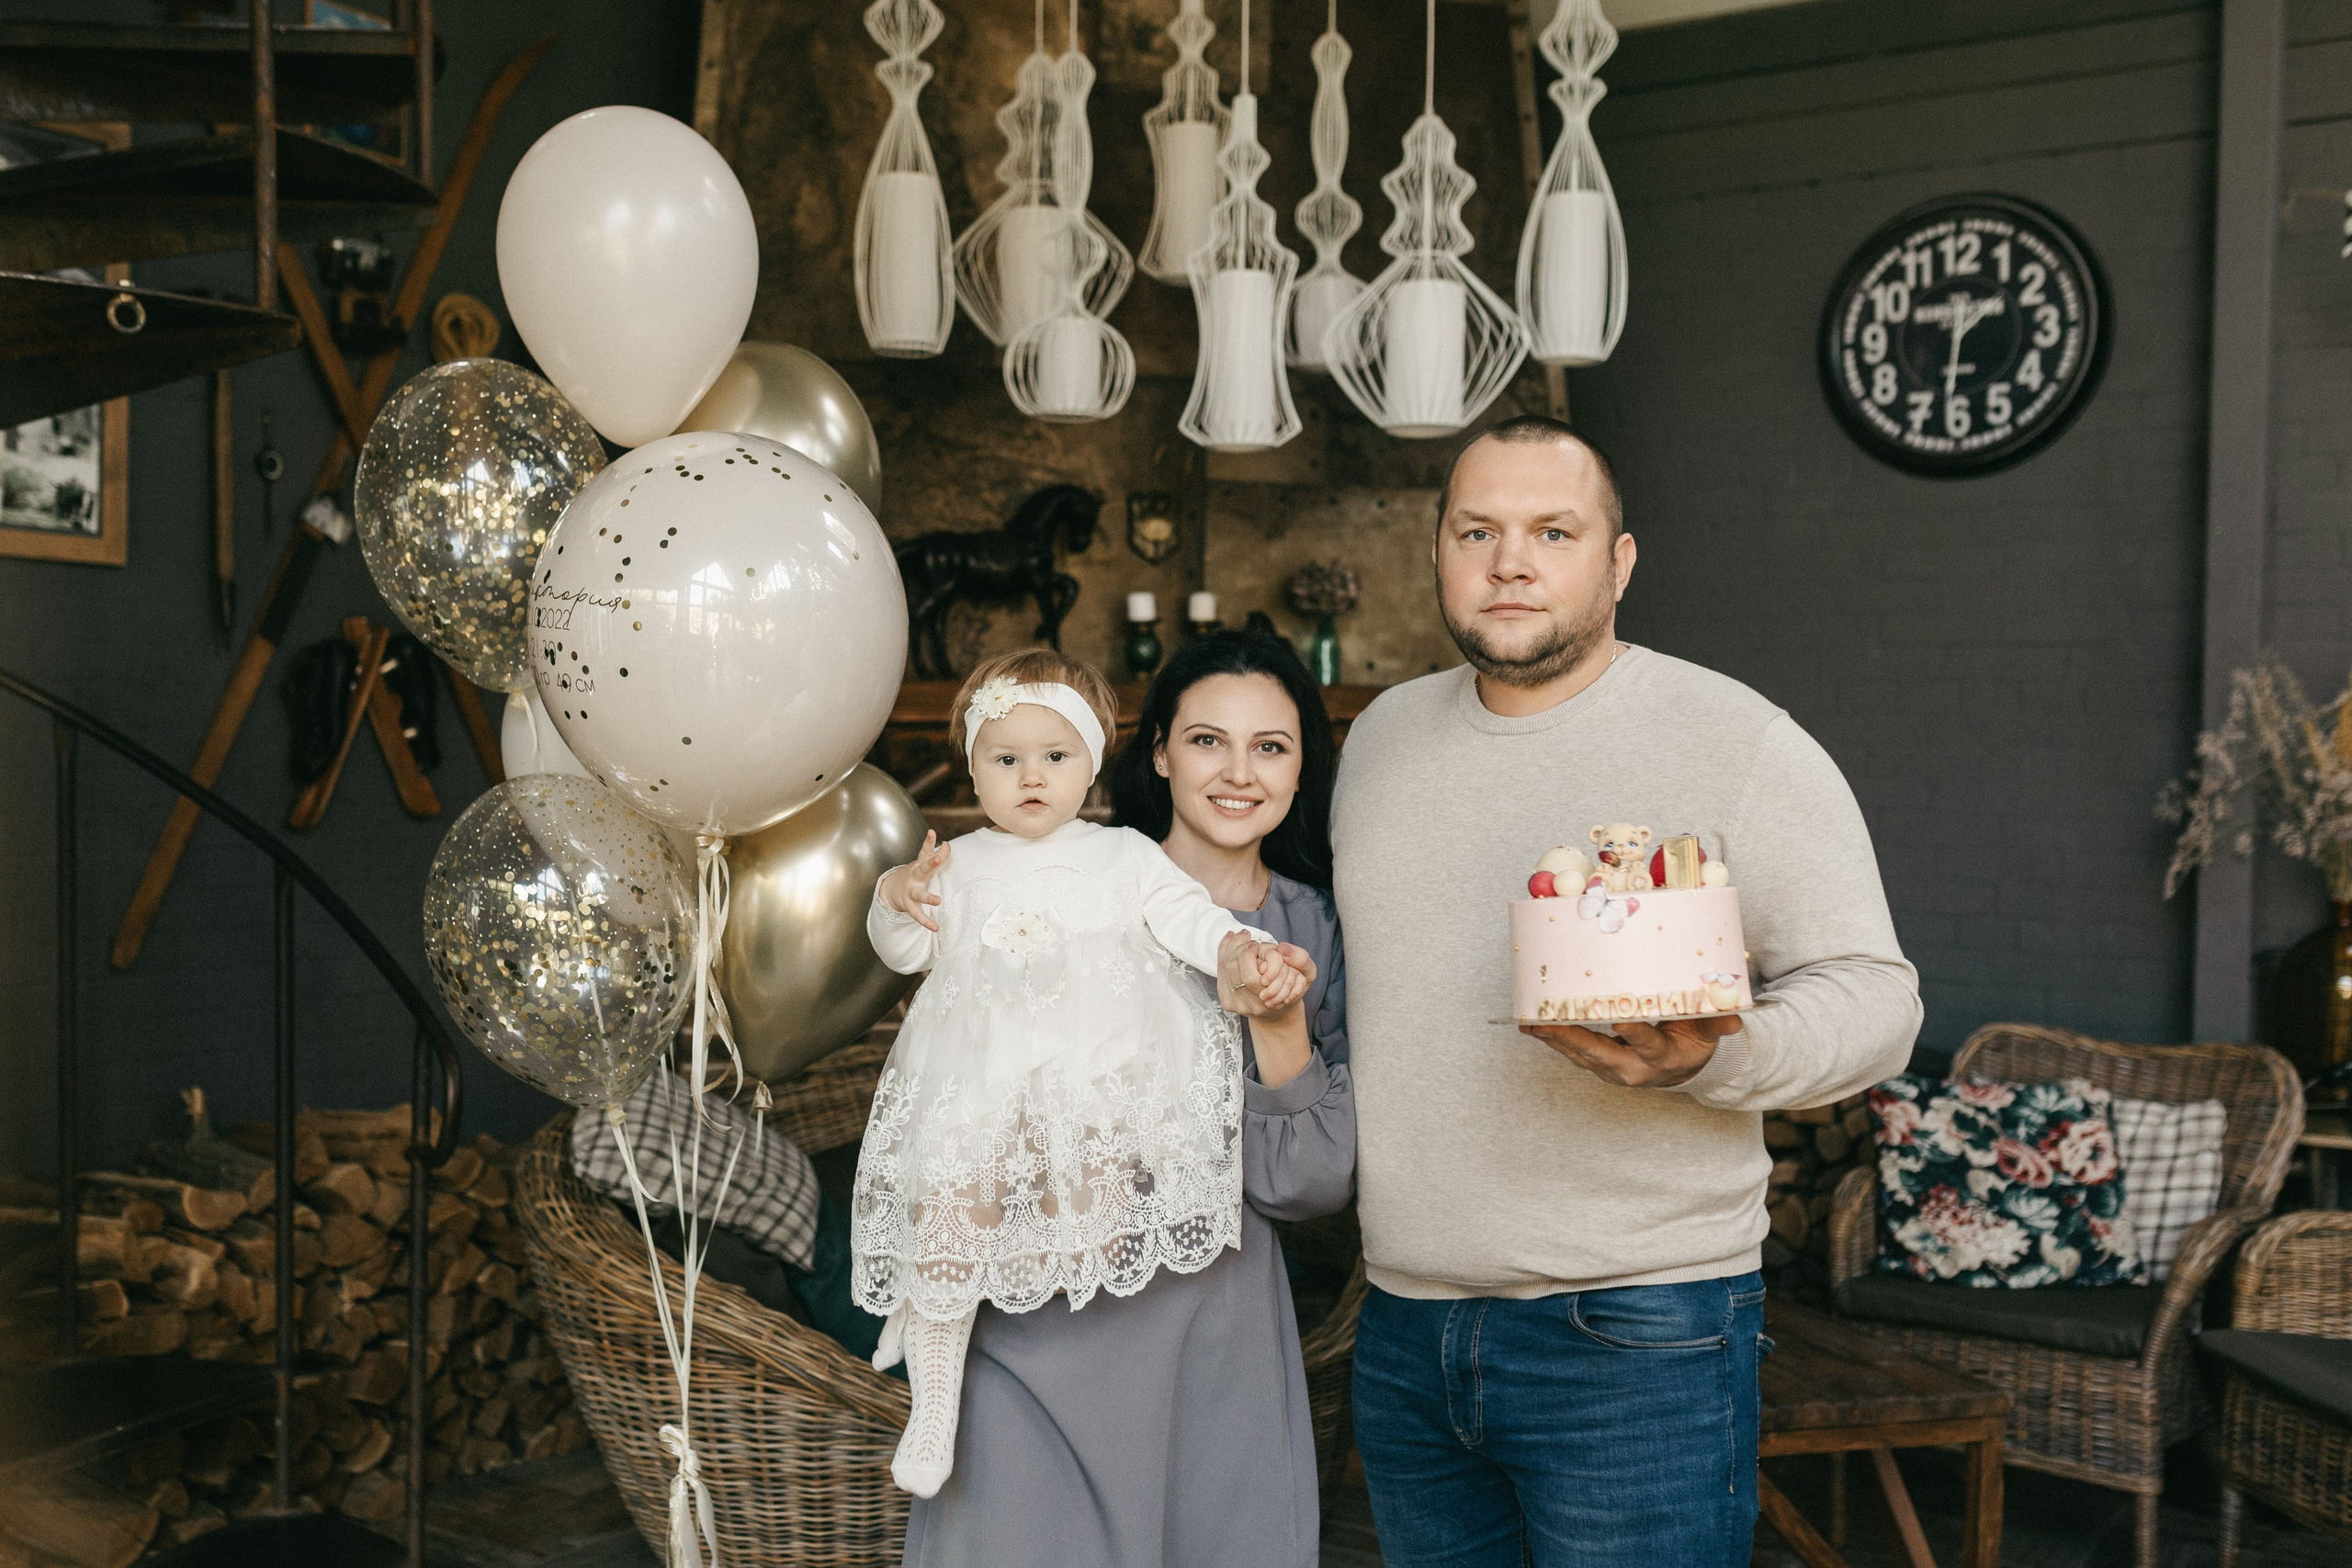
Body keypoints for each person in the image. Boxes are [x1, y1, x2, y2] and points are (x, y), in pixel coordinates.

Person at [1333, 415, 1921, 1567]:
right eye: (1477, 530)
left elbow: (1877, 1001)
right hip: (1402, 1324)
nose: (1510, 561)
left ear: (1619, 561)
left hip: (1636, 1332)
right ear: (1439, 550)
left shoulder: (1737, 740)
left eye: (1553, 531)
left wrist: (1712, 1056)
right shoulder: (1381, 741)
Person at [878, 632, 1358, 1568]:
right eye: (1209, 739)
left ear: (1303, 766)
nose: (1239, 772)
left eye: (1271, 746)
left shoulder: (1313, 926)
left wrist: (1269, 1010)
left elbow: (1312, 1184)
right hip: (1027, 1315)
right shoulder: (1043, 871)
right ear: (1158, 752)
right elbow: (947, 1044)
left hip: (1209, 1329)